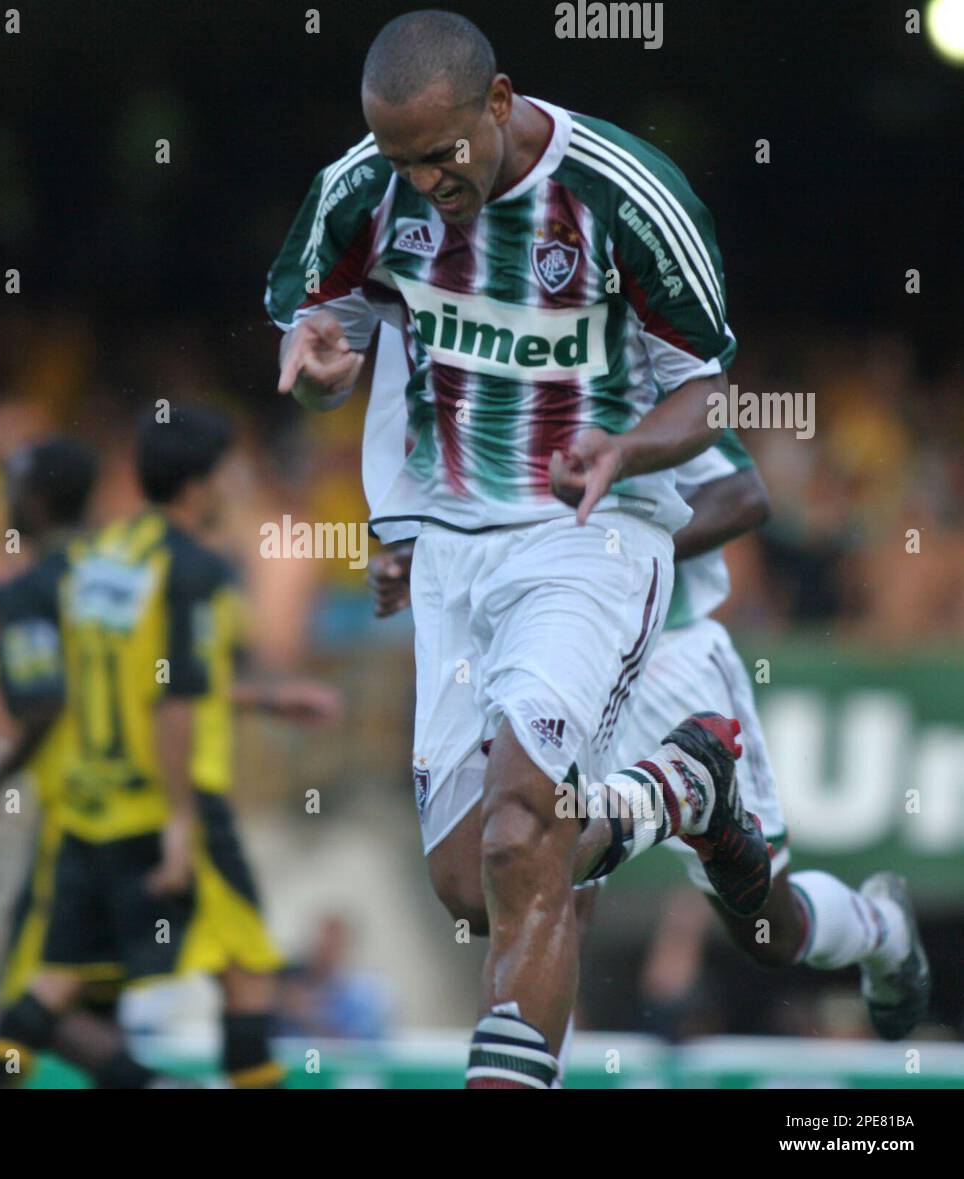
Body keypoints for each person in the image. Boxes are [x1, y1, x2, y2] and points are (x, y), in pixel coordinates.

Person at [267, 9, 771, 1087]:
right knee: (469, 880)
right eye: (403, 160)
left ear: (499, 100)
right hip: (452, 551)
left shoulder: (624, 195)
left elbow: (702, 394)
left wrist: (625, 449)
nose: (428, 182)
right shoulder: (364, 186)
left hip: (586, 540)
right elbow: (328, 322)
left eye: (443, 153)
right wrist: (313, 353)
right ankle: (679, 792)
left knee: (515, 840)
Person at [369, 328, 931, 1044]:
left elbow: (743, 495)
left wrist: (605, 552)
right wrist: (419, 556)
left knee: (766, 927)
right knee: (543, 890)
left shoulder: (614, 363)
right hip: (546, 656)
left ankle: (878, 926)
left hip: (667, 653)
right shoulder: (469, 377)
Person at [0, 405, 339, 1088]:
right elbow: (172, 696)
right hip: (175, 801)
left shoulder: (93, 561)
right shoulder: (196, 569)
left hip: (92, 808)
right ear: (202, 483)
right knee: (248, 971)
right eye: (231, 471)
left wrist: (258, 697)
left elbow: (125, 678)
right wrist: (178, 818)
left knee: (52, 983)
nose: (237, 484)